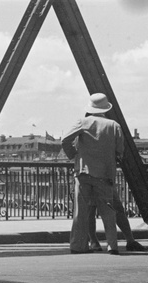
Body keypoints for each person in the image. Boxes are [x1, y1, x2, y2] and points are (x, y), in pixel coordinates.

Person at [62, 93, 124, 255]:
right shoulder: (113, 125)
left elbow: (65, 140)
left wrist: (74, 154)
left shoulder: (82, 123)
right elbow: (120, 151)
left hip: (83, 174)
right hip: (105, 175)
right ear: (106, 108)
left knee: (81, 212)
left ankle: (78, 245)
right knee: (108, 212)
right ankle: (112, 246)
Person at [70, 136, 148, 252]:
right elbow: (118, 151)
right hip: (104, 176)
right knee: (115, 209)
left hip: (86, 174)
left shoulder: (81, 136)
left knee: (90, 211)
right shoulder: (105, 134)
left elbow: (73, 148)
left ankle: (94, 242)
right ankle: (127, 240)